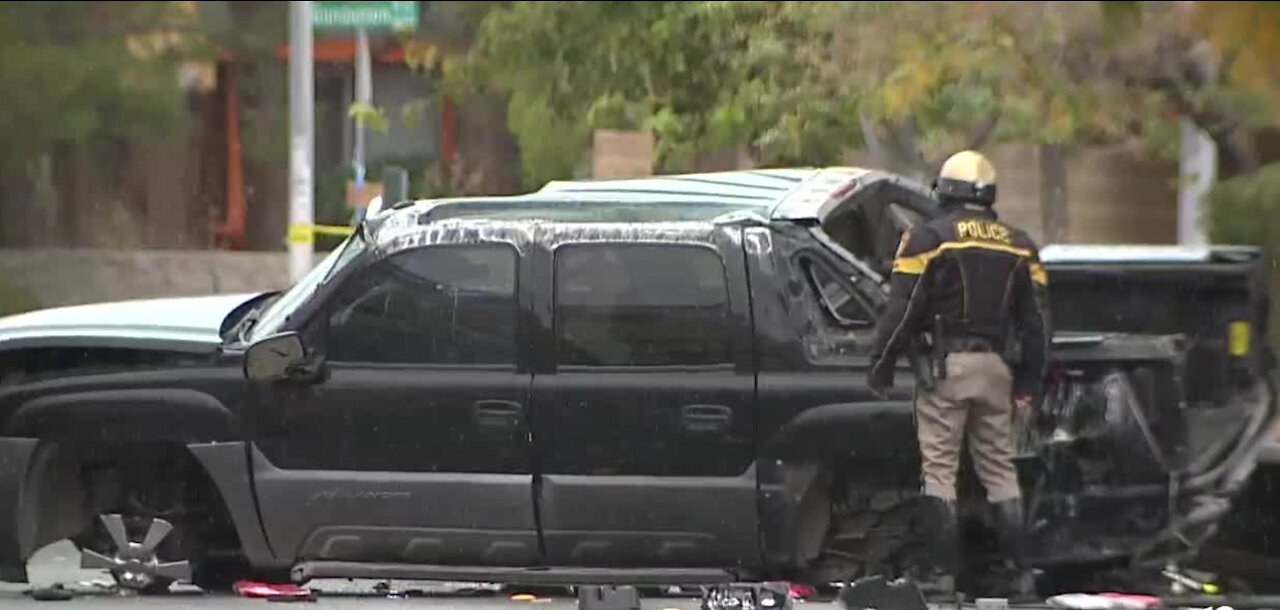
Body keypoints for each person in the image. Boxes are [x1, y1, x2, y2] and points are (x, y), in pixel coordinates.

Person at [866, 150, 1051, 600]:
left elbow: (903, 312)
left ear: (945, 191)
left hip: (950, 370)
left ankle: (939, 576)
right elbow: (1038, 323)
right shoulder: (1021, 244)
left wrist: (881, 365)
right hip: (998, 372)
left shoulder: (929, 238)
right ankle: (1019, 575)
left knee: (940, 472)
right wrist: (1029, 384)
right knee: (1000, 471)